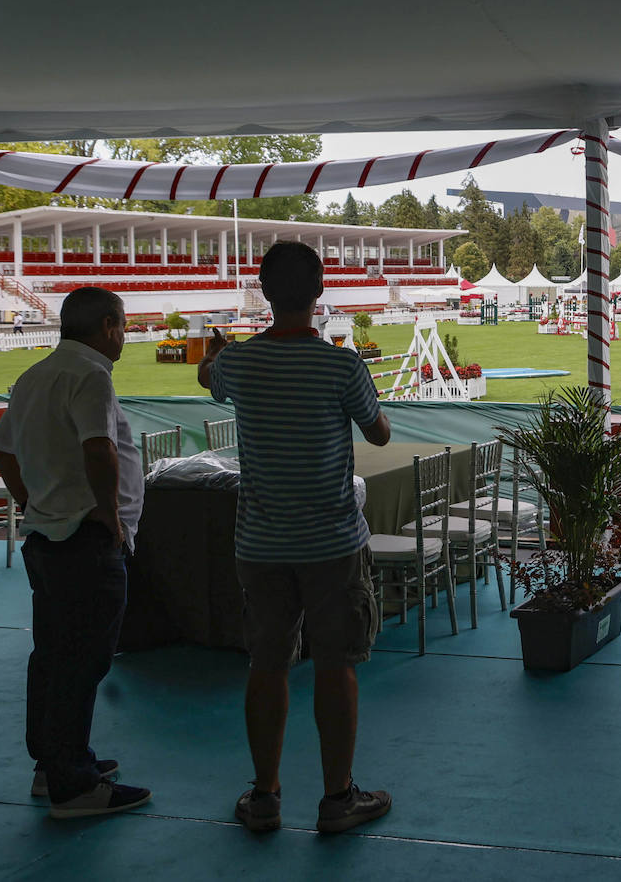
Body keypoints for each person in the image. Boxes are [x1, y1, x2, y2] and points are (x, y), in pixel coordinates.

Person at [199, 241, 393, 835]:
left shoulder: (238, 364)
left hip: (260, 543)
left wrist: (215, 355)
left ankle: (265, 797)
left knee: (268, 665)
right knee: (336, 666)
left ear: (263, 290)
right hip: (332, 540)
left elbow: (209, 374)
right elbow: (380, 434)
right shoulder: (342, 365)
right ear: (318, 293)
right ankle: (337, 800)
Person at [0, 286, 152, 820]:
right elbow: (98, 447)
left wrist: (28, 500)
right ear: (107, 325)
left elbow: (1, 447)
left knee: (55, 656)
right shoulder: (90, 375)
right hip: (85, 540)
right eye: (123, 326)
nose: (124, 337)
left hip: (48, 537)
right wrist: (108, 512)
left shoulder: (36, 375)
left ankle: (56, 763)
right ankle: (73, 786)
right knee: (83, 660)